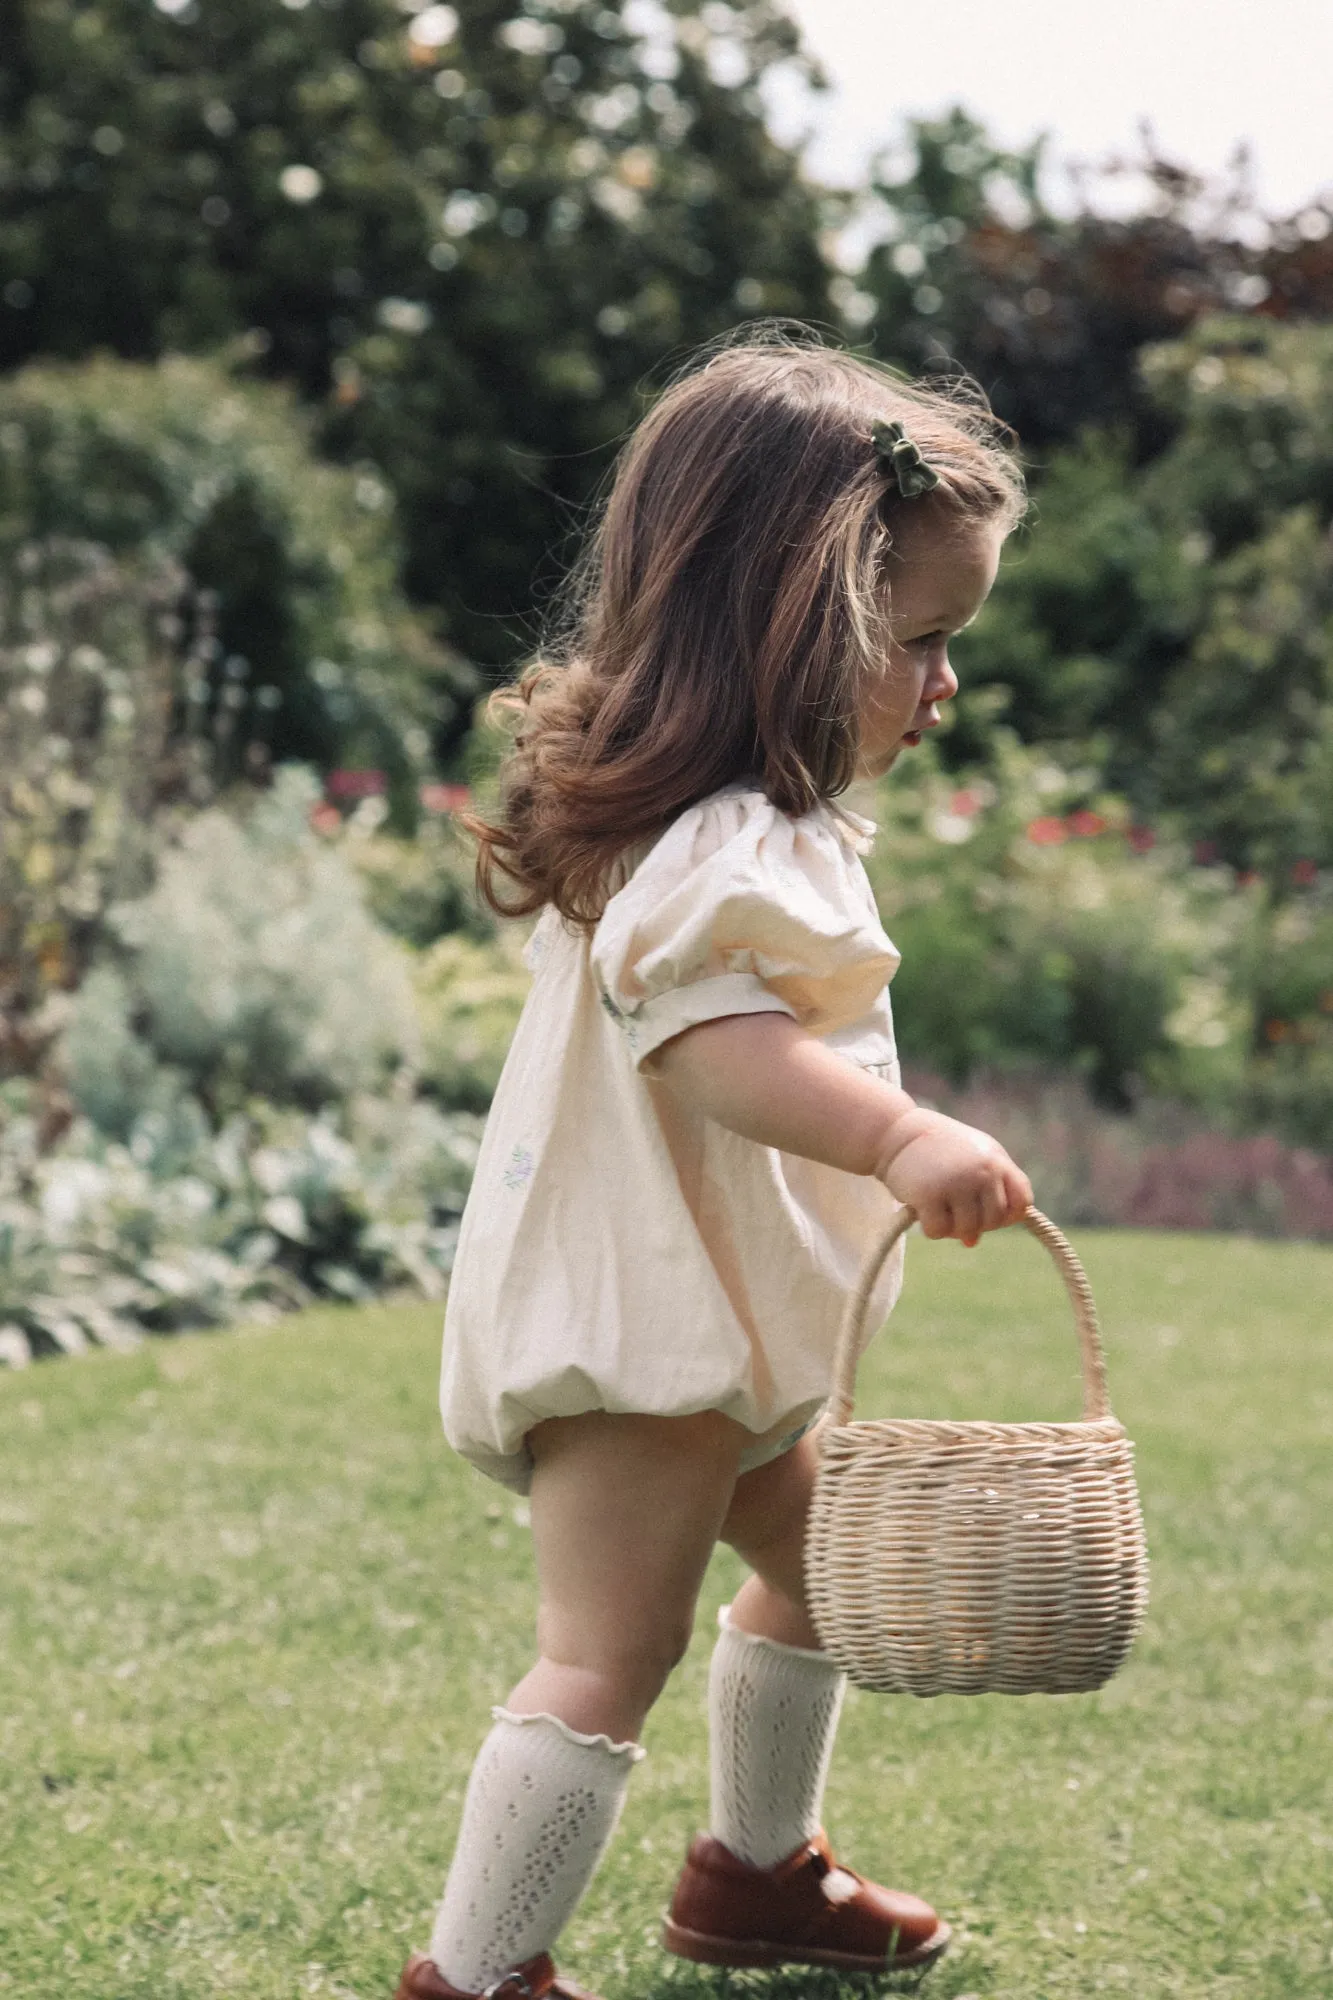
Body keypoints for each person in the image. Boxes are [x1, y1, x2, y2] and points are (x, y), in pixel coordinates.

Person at [395, 331, 1033, 2000]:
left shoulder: (744, 824)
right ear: (798, 628)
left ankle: (754, 1878)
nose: (946, 686)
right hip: (640, 1349)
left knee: (821, 1573)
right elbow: (712, 1044)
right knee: (610, 1651)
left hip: (716, 1335)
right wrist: (899, 1136)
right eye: (925, 642)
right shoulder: (717, 844)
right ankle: (477, 1974)